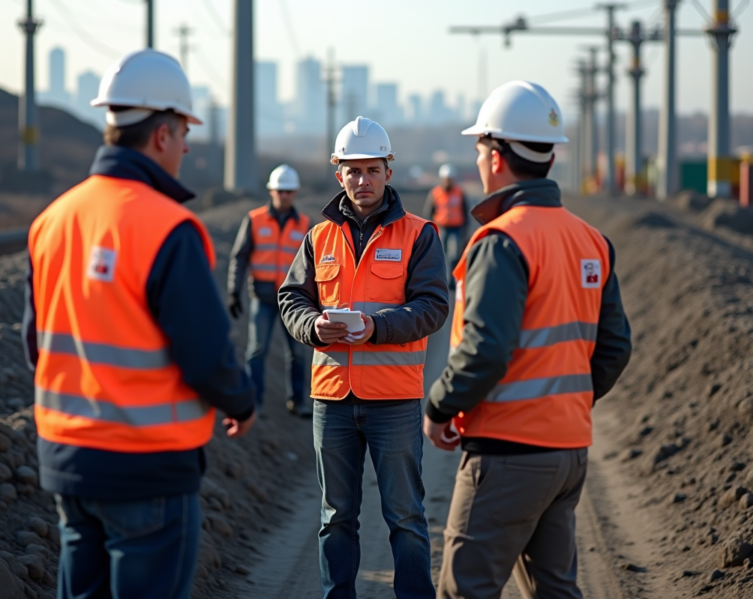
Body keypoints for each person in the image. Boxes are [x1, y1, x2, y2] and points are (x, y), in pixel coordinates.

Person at [22, 50, 256, 599]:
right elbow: (206, 355)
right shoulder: (167, 228)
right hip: (146, 465)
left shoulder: (52, 220)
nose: (187, 147)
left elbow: (38, 346)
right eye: (183, 134)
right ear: (162, 136)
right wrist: (241, 403)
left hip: (66, 462)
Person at [423, 80, 632, 599]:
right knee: (555, 591)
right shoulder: (590, 240)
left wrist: (439, 407)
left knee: (464, 590)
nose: (476, 160)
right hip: (568, 452)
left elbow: (484, 350)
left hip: (506, 454)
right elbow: (614, 348)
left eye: (479, 148)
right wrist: (566, 402)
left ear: (497, 156)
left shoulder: (501, 242)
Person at [279, 116, 449, 599]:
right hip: (331, 400)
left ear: (387, 172)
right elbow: (291, 299)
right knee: (336, 519)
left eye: (371, 170)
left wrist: (377, 328)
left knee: (407, 519)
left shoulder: (419, 235)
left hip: (394, 400)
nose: (362, 180)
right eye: (352, 171)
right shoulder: (317, 238)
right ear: (339, 175)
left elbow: (433, 306)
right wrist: (312, 326)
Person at [227, 164, 312, 417]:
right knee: (257, 350)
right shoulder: (254, 220)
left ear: (294, 192)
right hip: (262, 297)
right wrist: (234, 291)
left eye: (288, 191)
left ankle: (297, 401)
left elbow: (315, 265)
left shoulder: (305, 224)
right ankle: (255, 403)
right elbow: (239, 257)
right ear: (271, 191)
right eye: (279, 191)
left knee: (297, 351)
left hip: (294, 300)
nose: (283, 195)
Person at [423, 163, 468, 288]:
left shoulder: (459, 192)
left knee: (453, 255)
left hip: (456, 228)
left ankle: (451, 281)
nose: (448, 181)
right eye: (446, 179)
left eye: (450, 179)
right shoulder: (436, 193)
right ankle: (442, 280)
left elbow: (465, 211)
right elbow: (429, 212)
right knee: (441, 254)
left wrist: (465, 230)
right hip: (441, 228)